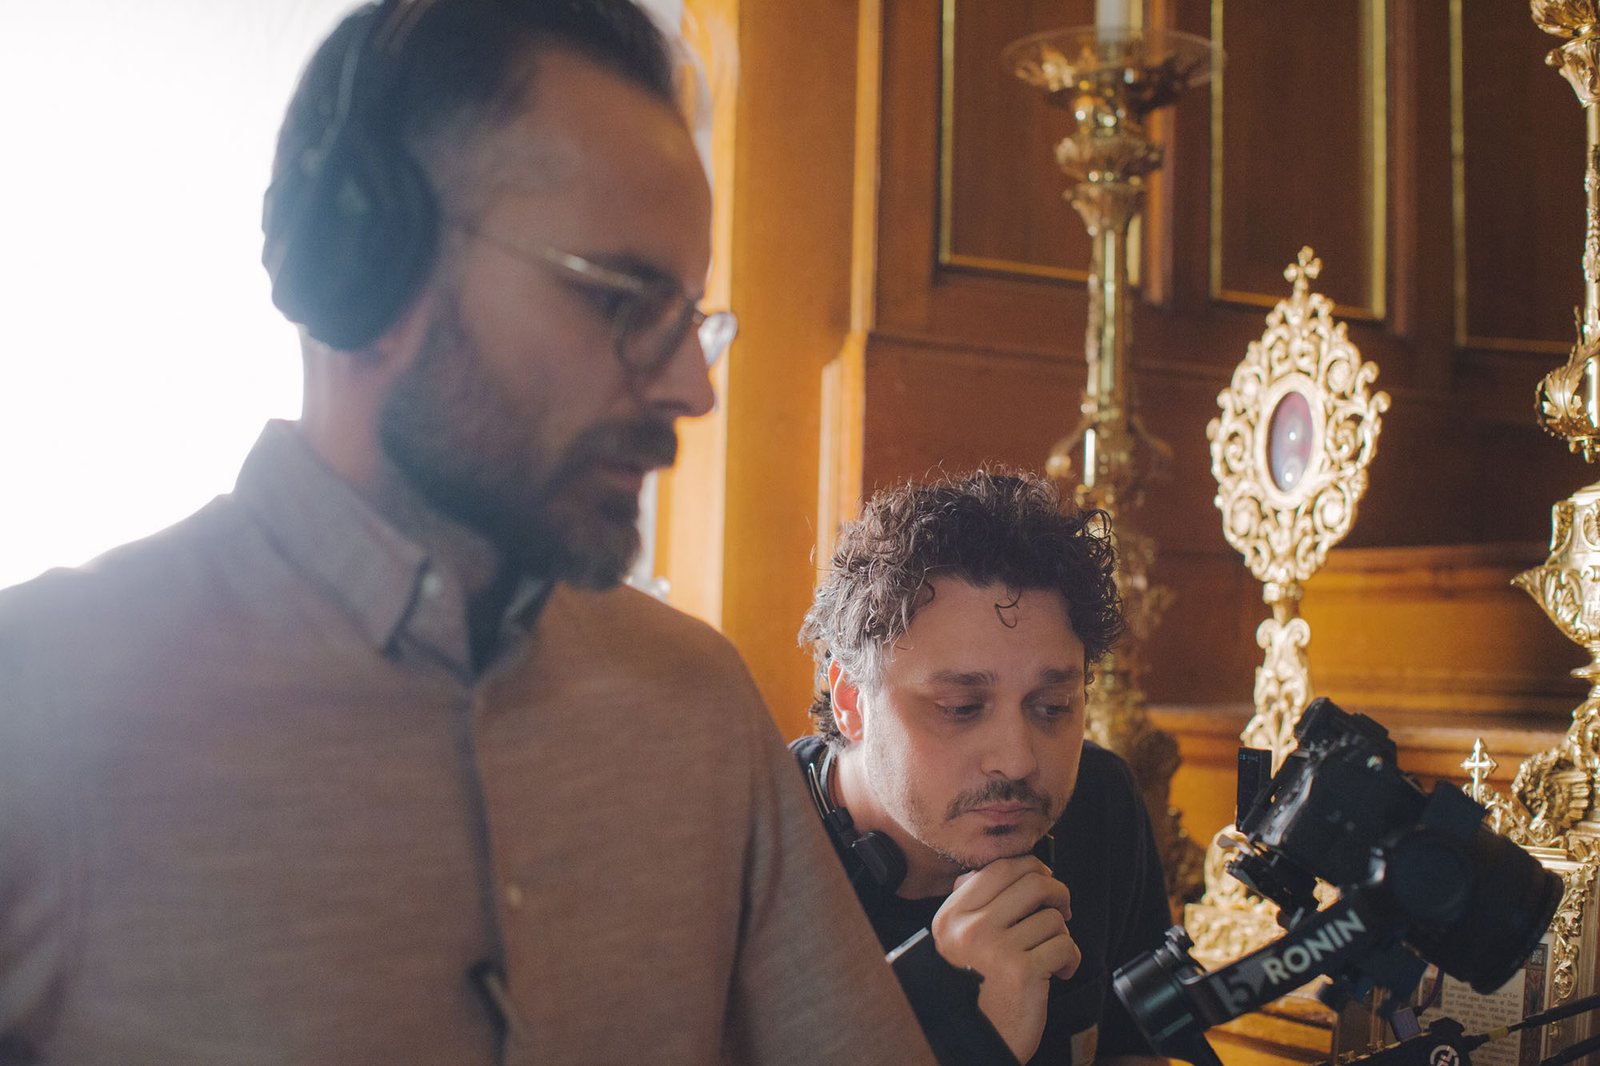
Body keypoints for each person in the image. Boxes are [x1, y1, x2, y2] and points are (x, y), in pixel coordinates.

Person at [0, 2, 936, 1063]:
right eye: (621, 301)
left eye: (688, 321)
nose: (692, 389)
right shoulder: (40, 705)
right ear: (375, 269)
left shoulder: (698, 707)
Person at [793, 470, 1172, 1066]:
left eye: (1053, 707)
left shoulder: (1101, 800)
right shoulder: (749, 851)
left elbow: (1135, 1051)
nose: (1018, 761)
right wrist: (965, 1037)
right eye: (960, 708)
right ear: (850, 699)